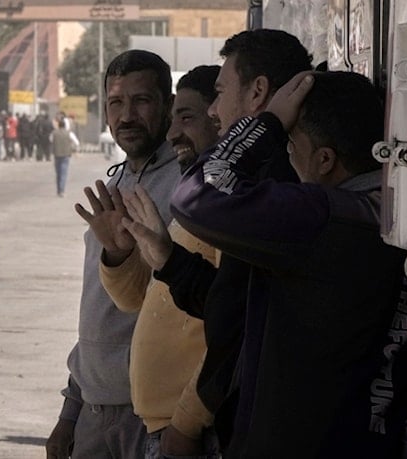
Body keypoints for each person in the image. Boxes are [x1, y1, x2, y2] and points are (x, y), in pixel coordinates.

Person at [125, 71, 407, 457]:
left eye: (291, 144)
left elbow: (198, 195)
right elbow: (238, 306)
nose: (287, 156)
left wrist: (268, 124)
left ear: (324, 160)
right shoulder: (394, 217)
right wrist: (171, 262)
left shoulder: (325, 219)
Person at [122, 30, 313, 454]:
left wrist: (188, 421)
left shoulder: (271, 183)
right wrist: (168, 260)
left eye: (221, 92)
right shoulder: (269, 177)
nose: (213, 110)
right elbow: (229, 299)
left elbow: (197, 196)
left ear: (258, 92)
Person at [46, 49, 180, 459]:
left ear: (167, 106)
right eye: (116, 103)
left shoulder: (187, 187)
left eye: (141, 101)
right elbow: (97, 310)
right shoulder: (114, 186)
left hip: (155, 414)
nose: (126, 116)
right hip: (94, 409)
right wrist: (71, 409)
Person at [97, 64, 222, 459]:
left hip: (191, 428)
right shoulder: (190, 187)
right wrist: (118, 254)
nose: (172, 134)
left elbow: (233, 323)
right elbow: (140, 298)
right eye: (115, 102)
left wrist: (187, 420)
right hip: (158, 421)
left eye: (186, 117)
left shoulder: (228, 203)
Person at [51, 118, 79, 197]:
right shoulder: (69, 133)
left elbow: (50, 140)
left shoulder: (54, 133)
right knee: (63, 173)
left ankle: (59, 190)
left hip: (57, 154)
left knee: (58, 173)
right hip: (66, 155)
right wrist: (73, 149)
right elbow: (77, 142)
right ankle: (62, 191)